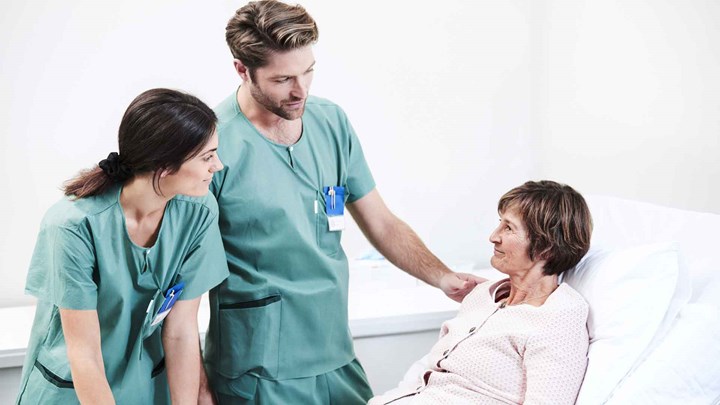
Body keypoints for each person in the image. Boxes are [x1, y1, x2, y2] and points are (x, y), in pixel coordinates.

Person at [200, 1, 484, 403]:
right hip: (258, 367)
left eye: (308, 72)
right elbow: (187, 273)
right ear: (242, 70)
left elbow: (381, 223)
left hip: (334, 351)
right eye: (283, 79)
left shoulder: (330, 122)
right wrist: (195, 387)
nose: (301, 91)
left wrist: (443, 277)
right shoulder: (212, 145)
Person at [15, 88, 229, 404]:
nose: (218, 166)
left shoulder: (198, 212)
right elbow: (84, 353)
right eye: (207, 156)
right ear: (165, 165)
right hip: (72, 389)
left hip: (142, 384)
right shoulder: (73, 226)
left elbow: (181, 331)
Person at [369, 180, 592, 405]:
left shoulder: (559, 318)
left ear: (547, 246)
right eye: (499, 223)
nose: (493, 236)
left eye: (508, 228)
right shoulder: (482, 296)